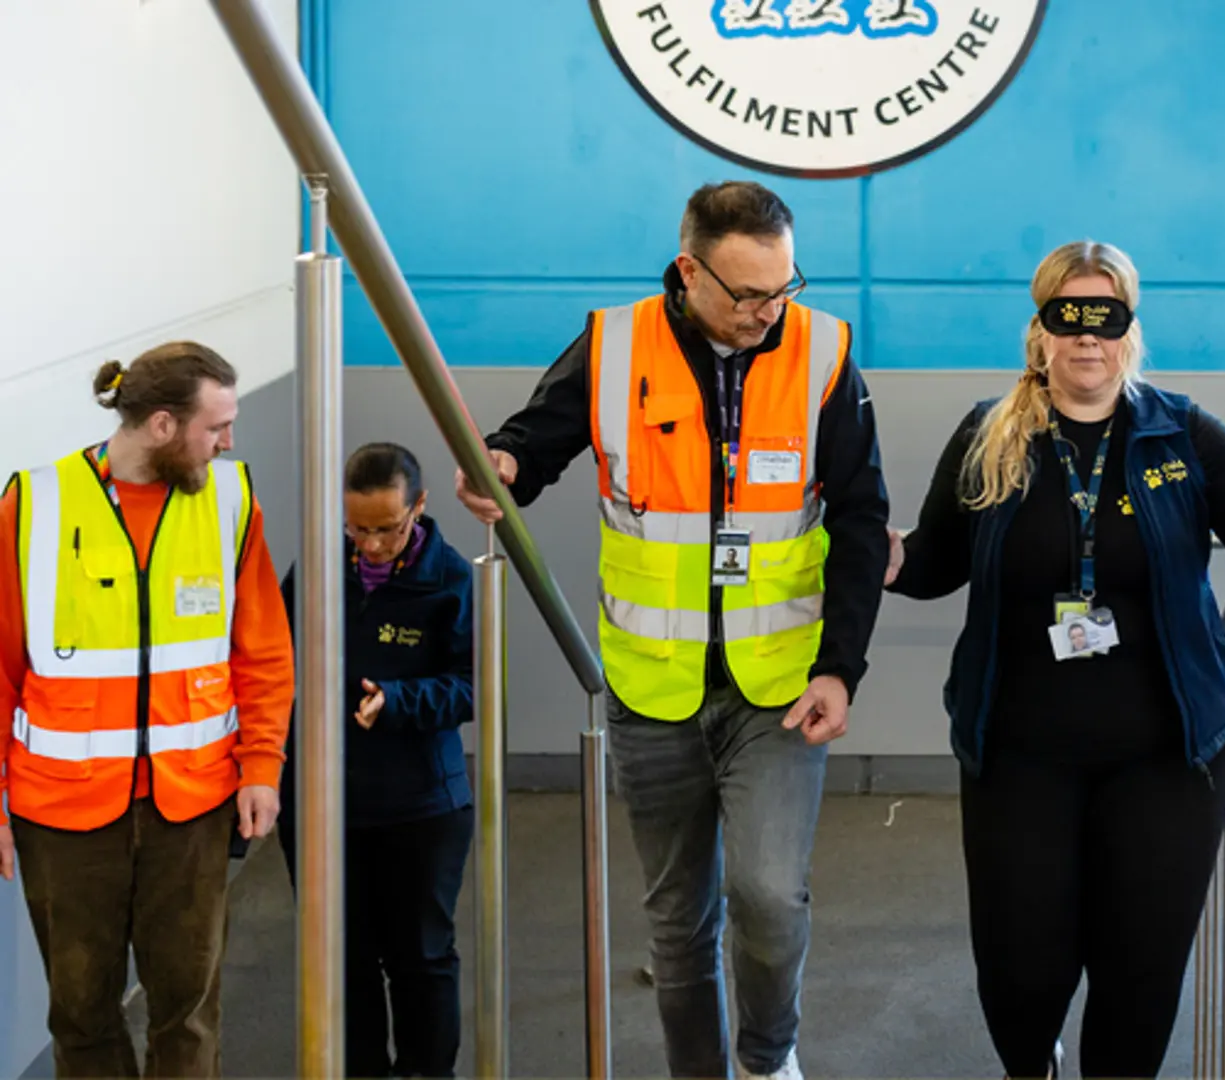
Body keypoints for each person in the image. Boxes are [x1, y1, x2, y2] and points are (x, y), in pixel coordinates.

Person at [454, 180, 890, 1080]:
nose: (769, 313)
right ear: (689, 271)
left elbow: (858, 517)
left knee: (769, 897)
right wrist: (502, 464)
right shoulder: (615, 345)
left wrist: (841, 667)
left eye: (784, 288)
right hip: (651, 686)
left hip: (778, 683)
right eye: (747, 294)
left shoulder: (822, 350)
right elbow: (535, 440)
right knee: (678, 919)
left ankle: (769, 1058)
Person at [883, 241, 1225, 1079]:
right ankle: (1032, 1062)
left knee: (1140, 971)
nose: (1087, 340)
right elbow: (935, 562)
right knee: (1020, 969)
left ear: (1130, 331)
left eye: (1104, 320)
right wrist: (878, 553)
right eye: (1068, 318)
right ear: (1040, 331)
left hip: (1167, 758)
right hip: (1020, 757)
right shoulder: (988, 436)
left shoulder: (1182, 431)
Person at [0, 342, 294, 1078]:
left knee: (187, 1011)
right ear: (162, 425)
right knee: (81, 1012)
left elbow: (262, 651)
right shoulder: (33, 504)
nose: (228, 442)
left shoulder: (229, 503)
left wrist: (262, 765)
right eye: (216, 425)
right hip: (62, 815)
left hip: (192, 806)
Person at [279, 442, 475, 1079]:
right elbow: (272, 661)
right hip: (327, 800)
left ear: (418, 507)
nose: (370, 545)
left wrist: (400, 701)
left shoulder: (452, 581)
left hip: (420, 804)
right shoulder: (315, 570)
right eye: (356, 528)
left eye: (386, 529)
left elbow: (473, 687)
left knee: (420, 955)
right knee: (344, 956)